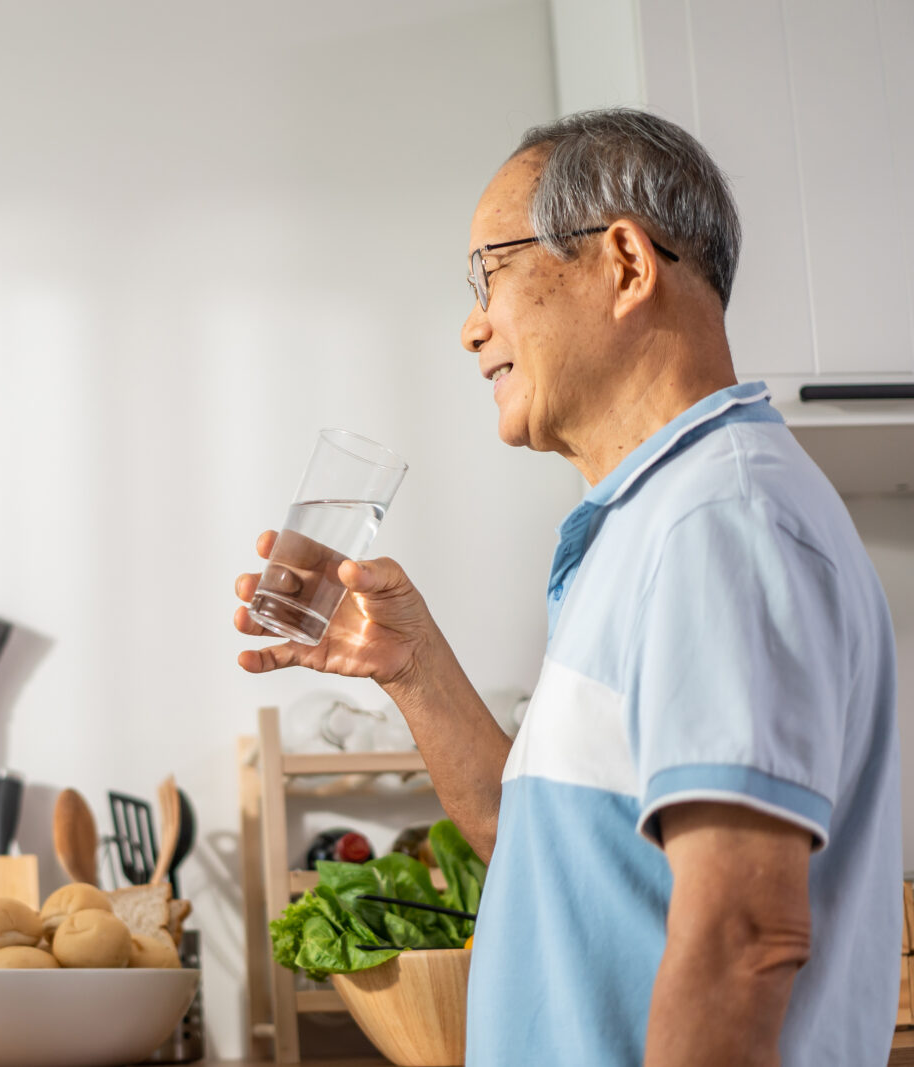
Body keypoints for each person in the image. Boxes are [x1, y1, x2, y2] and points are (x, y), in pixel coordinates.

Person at [235, 109, 900, 1065]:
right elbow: (538, 850)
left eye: (491, 272)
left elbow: (743, 937)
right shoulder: (650, 523)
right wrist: (412, 666)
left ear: (625, 264)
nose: (472, 327)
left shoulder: (720, 520)